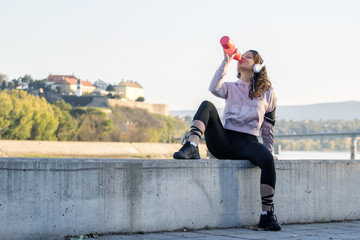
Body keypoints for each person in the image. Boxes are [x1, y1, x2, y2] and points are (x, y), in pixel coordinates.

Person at [173, 48, 281, 231]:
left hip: (247, 143)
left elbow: (268, 127)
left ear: (257, 65)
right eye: (242, 56)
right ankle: (191, 145)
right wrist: (226, 61)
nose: (243, 58)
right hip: (224, 141)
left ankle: (266, 215)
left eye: (248, 57)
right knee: (207, 104)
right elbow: (213, 88)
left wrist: (268, 150)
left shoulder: (268, 93)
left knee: (267, 160)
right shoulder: (231, 87)